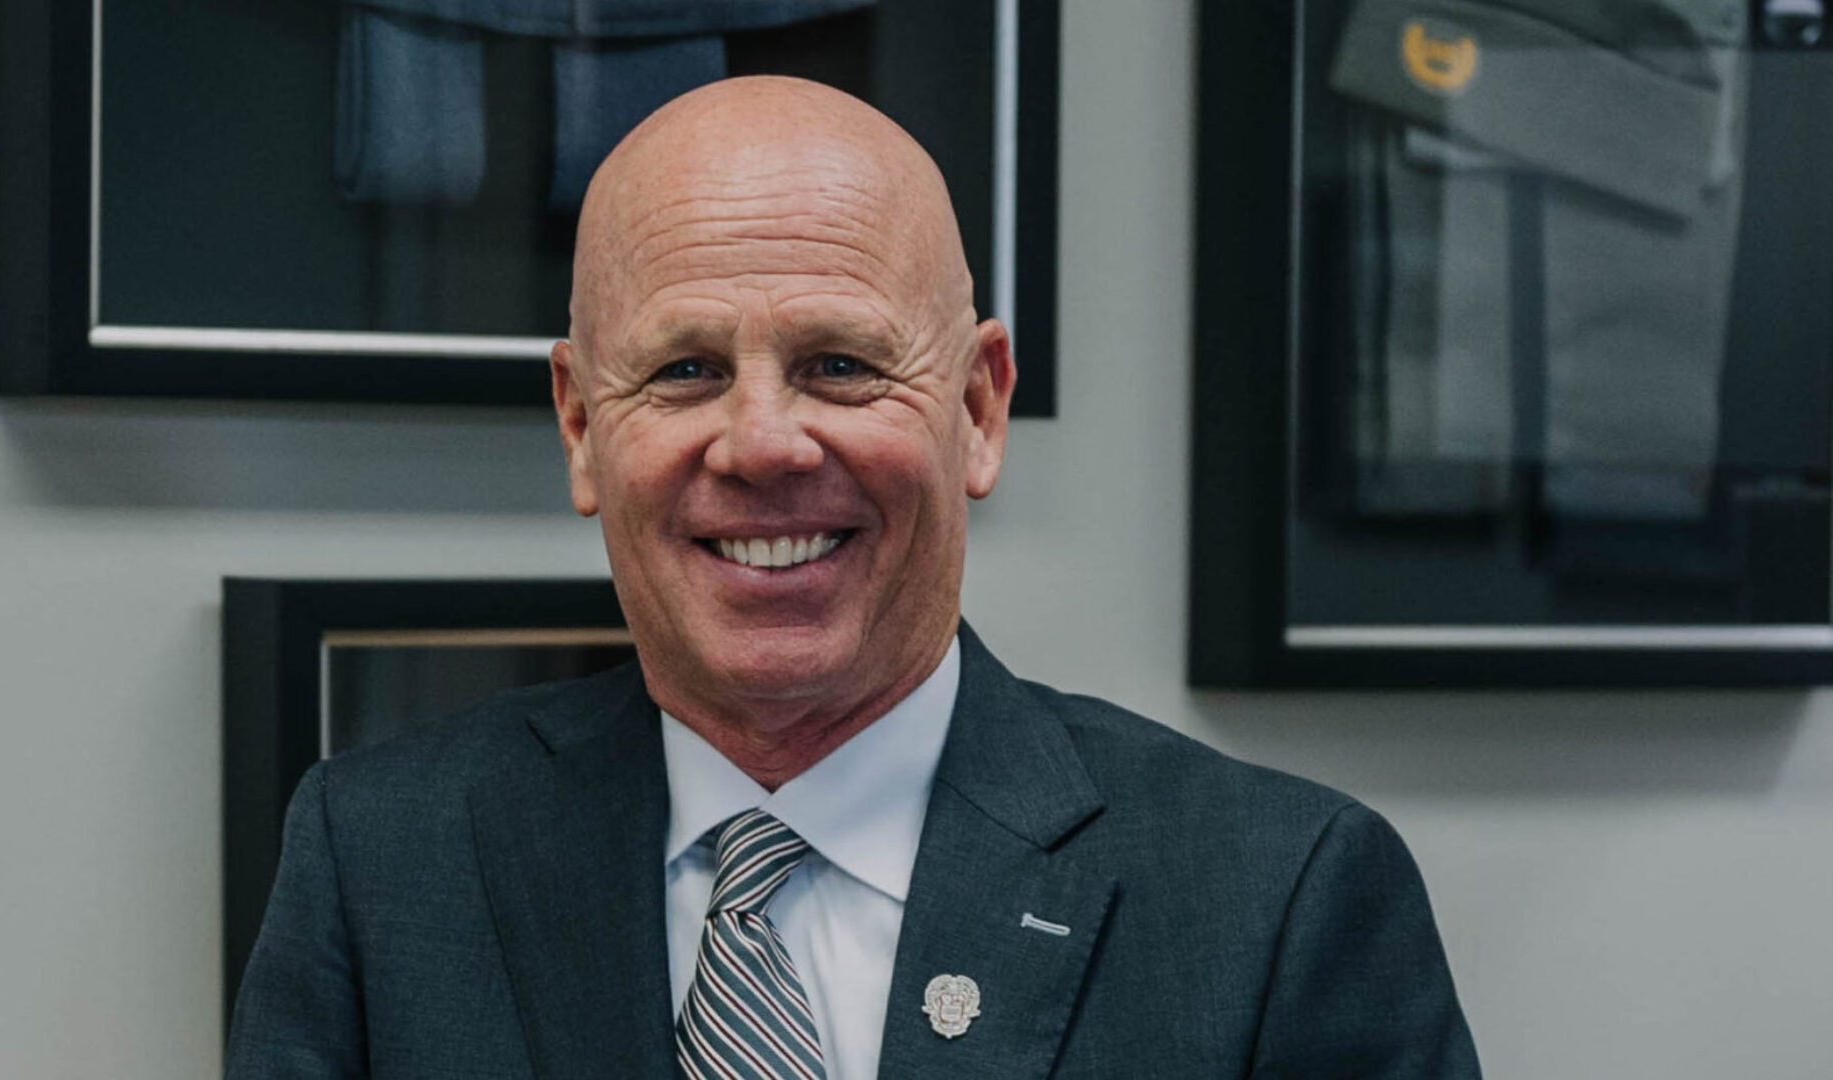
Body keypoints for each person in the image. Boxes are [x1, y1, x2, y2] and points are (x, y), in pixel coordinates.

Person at [226, 76, 1481, 1079]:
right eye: (684, 371)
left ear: (979, 408)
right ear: (580, 427)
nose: (763, 444)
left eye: (839, 365)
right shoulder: (381, 864)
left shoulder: (1279, 898)